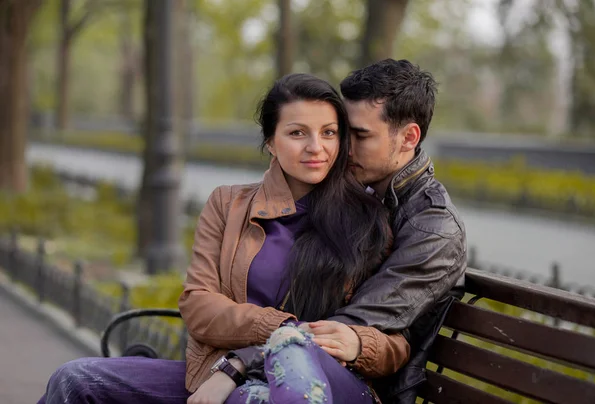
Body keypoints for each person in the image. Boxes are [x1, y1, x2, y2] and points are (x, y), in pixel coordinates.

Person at [38, 73, 411, 404]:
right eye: (298, 133)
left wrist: (357, 344)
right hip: (215, 376)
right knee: (75, 379)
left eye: (329, 133)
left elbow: (395, 344)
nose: (317, 147)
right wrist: (275, 330)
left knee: (252, 397)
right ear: (270, 141)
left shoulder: (366, 221)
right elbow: (198, 304)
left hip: (321, 386)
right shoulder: (229, 204)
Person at [325, 58, 468, 403]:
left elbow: (353, 323)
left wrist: (241, 362)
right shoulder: (356, 190)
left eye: (360, 136)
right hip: (315, 367)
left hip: (365, 389)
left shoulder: (435, 228)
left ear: (408, 137)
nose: (344, 147)